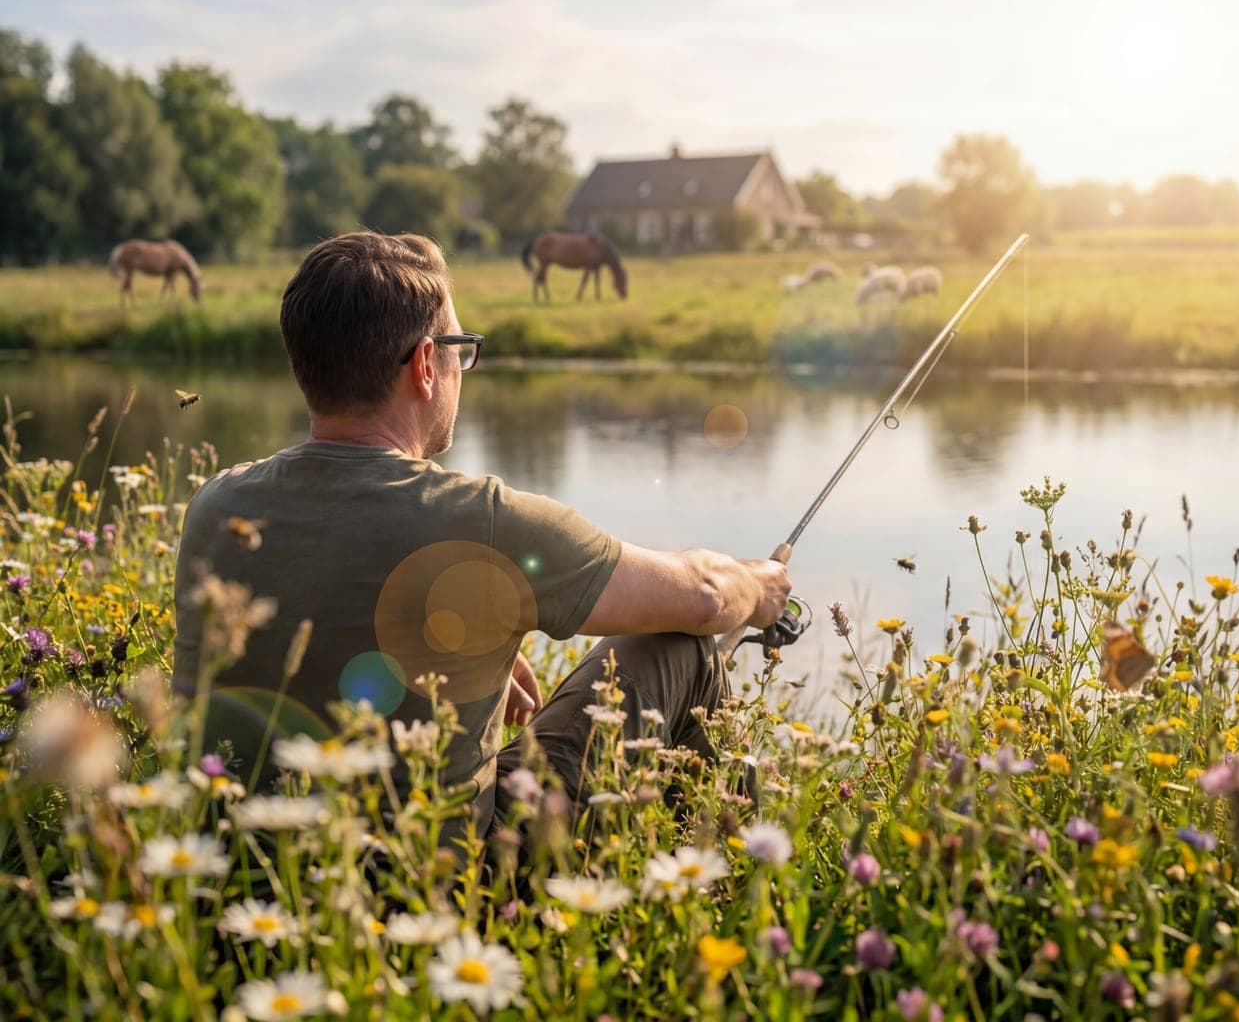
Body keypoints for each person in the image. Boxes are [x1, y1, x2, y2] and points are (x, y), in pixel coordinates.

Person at [171, 231, 790, 831]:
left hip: (236, 870)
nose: (461, 365)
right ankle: (726, 869)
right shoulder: (485, 521)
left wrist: (482, 629)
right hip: (442, 880)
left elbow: (334, 579)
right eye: (458, 347)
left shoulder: (216, 505)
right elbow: (705, 596)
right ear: (424, 366)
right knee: (681, 640)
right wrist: (758, 589)